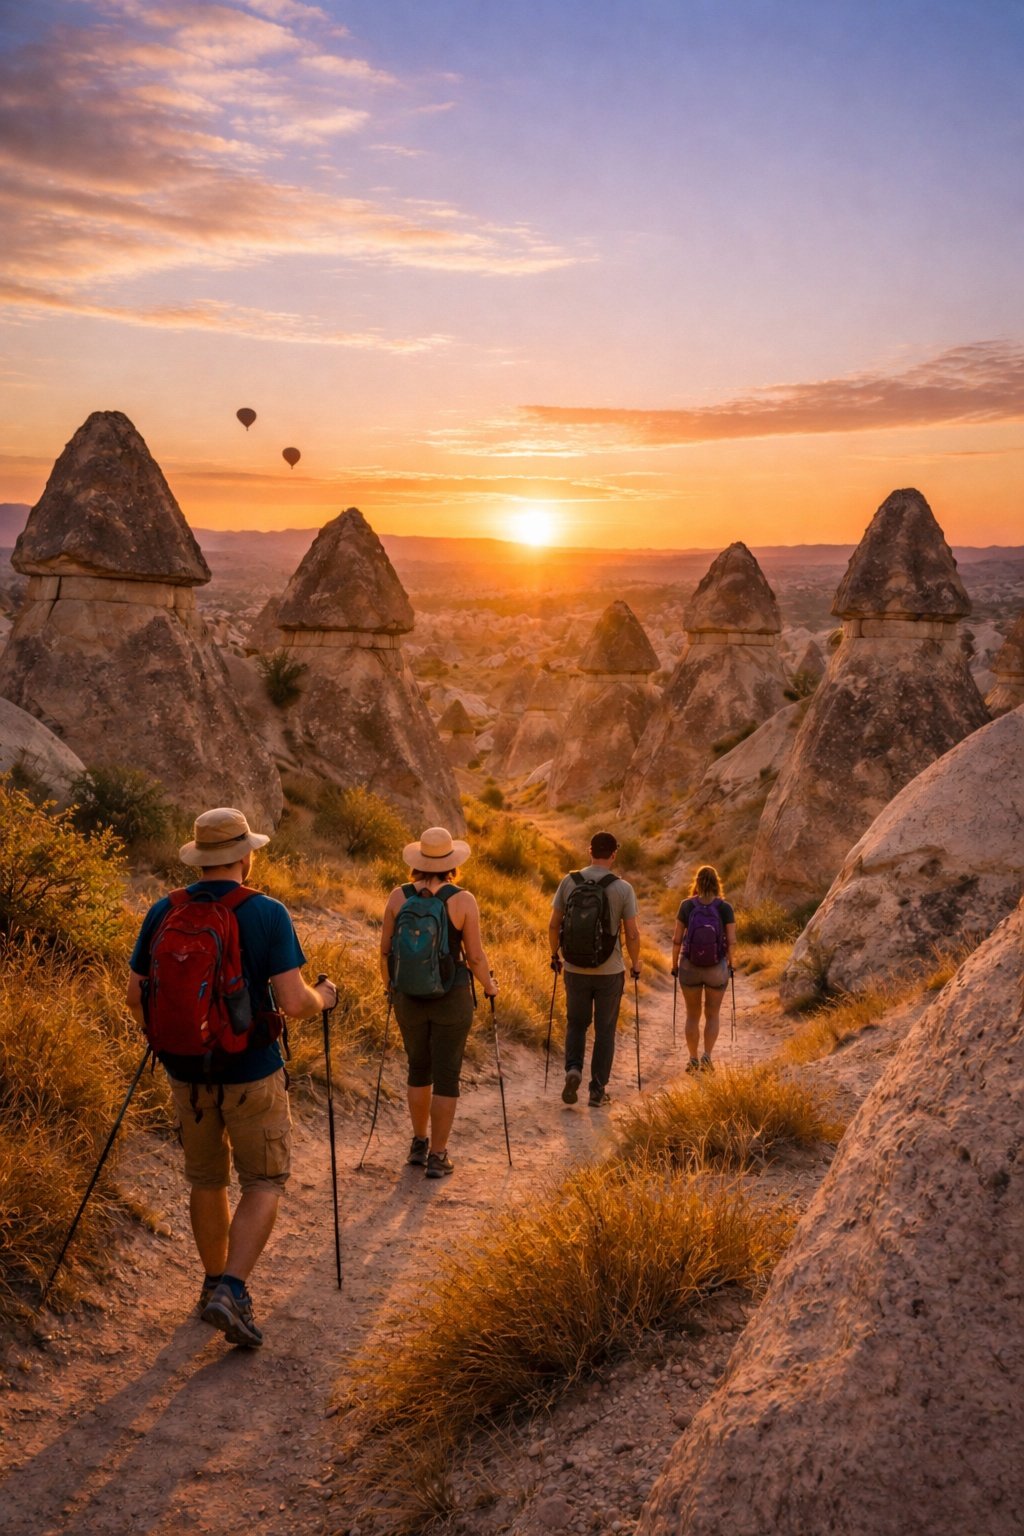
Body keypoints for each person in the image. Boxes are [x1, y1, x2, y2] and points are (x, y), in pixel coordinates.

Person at [127, 807, 337, 1348]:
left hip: (185, 1072)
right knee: (264, 1181)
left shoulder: (163, 909)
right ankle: (234, 1291)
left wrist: (177, 1043)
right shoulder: (267, 913)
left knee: (206, 1179)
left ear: (199, 859)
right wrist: (326, 997)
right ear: (246, 857)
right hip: (252, 1071)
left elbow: (136, 996)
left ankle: (211, 1283)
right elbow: (292, 1002)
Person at [380, 826, 497, 1179]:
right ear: (452, 864)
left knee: (418, 1069)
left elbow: (384, 951)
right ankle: (438, 1154)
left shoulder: (397, 897)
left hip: (407, 996)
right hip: (452, 997)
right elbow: (475, 957)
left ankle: (418, 1143)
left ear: (417, 862)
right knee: (447, 1075)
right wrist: (490, 987)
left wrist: (391, 988)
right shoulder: (463, 900)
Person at [549, 830, 641, 1108]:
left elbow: (554, 924)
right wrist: (636, 963)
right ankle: (597, 1090)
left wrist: (554, 955)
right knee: (605, 1030)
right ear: (614, 855)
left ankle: (573, 1069)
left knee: (576, 1023)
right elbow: (633, 933)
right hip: (609, 971)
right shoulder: (623, 888)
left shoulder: (569, 881)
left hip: (575, 969)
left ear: (590, 851)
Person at [671, 864, 736, 1073]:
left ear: (696, 883)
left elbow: (676, 940)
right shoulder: (725, 908)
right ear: (717, 883)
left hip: (690, 966)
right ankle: (707, 1057)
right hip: (716, 967)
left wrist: (674, 965)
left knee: (692, 1014)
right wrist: (731, 965)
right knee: (712, 1014)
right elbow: (732, 941)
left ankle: (693, 1059)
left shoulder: (686, 906)